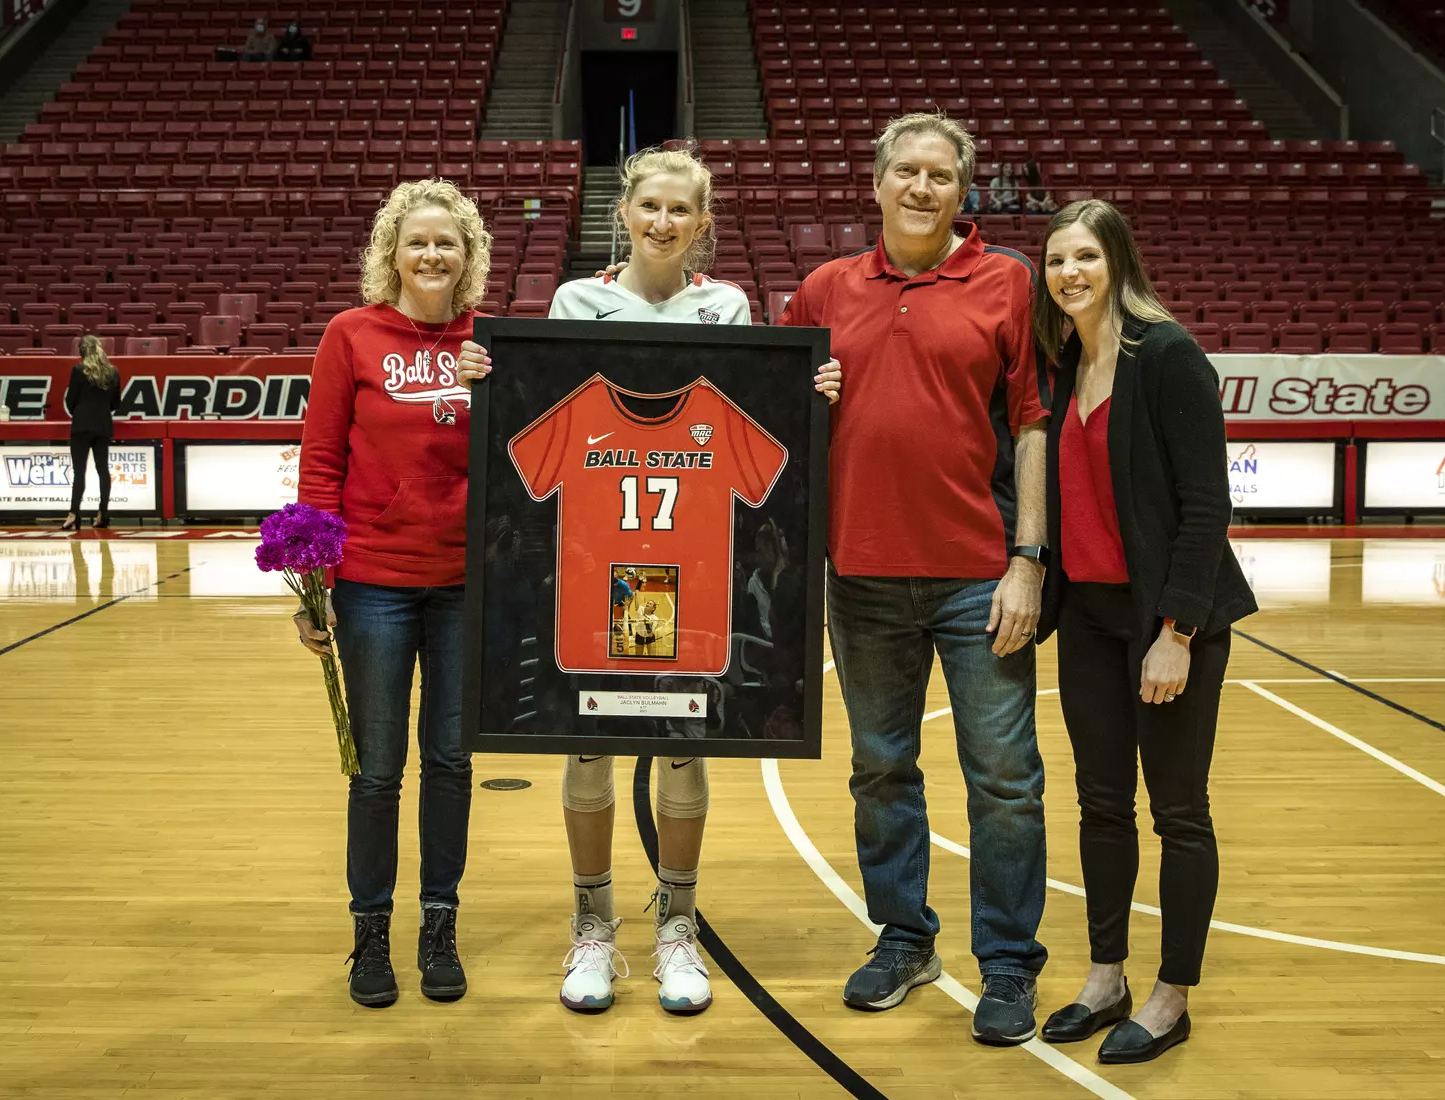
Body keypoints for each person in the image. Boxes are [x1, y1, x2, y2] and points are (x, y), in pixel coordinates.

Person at [456, 144, 842, 1017]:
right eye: (650, 207)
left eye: (682, 211)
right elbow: (525, 427)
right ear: (622, 214)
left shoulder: (729, 307)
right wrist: (491, 378)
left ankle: (679, 923)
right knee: (586, 746)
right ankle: (592, 922)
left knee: (680, 747)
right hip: (593, 578)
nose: (664, 223)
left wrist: (809, 390)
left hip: (690, 580)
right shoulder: (574, 302)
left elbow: (764, 421)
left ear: (704, 224)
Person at [778, 112, 1051, 1046]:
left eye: (942, 175)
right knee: (882, 771)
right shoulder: (825, 289)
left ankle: (1008, 964)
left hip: (978, 575)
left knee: (1005, 779)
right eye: (908, 172)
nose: (923, 189)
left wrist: (1029, 561)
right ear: (879, 182)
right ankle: (905, 938)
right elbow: (777, 419)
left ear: (964, 191)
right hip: (858, 575)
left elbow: (1032, 425)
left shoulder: (1007, 282)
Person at [1030, 198, 1256, 1064]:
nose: (1070, 275)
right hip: (1088, 617)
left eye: (1085, 256)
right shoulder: (1061, 364)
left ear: (1118, 261)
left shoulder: (1167, 357)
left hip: (1167, 622)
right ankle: (1107, 974)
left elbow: (1207, 507)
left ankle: (1171, 995)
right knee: (1098, 804)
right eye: (1056, 262)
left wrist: (1179, 630)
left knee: (1180, 811)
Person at [295, 178, 492, 1008]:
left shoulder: (490, 342)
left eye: (448, 242)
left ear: (469, 255)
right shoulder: (351, 335)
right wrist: (313, 586)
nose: (432, 254)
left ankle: (438, 924)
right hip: (373, 584)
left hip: (465, 588)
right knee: (377, 772)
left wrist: (496, 382)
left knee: (450, 764)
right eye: (418, 241)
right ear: (392, 252)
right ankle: (369, 932)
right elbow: (321, 461)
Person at [61, 335, 122, 532]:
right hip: (103, 425)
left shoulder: (78, 370)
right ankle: (103, 514)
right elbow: (116, 403)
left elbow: (71, 400)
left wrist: (79, 411)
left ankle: (73, 515)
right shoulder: (113, 372)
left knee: (80, 472)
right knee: (103, 471)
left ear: (81, 352)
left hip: (81, 425)